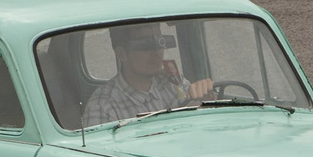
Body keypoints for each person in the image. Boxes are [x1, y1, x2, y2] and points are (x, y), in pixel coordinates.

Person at [82, 23, 216, 126]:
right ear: (122, 54)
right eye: (145, 45)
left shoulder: (170, 82)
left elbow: (191, 100)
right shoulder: (103, 107)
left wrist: (204, 96)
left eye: (160, 42)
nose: (157, 51)